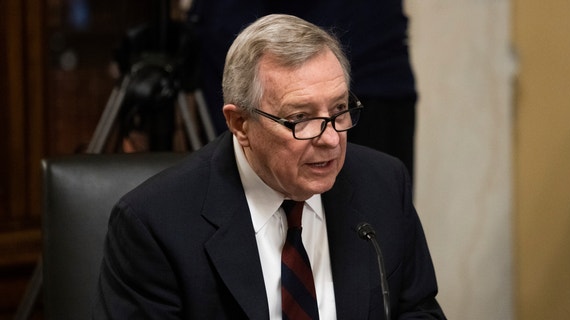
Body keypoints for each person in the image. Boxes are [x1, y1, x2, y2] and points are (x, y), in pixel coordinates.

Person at [93, 14, 444, 319]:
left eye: (339, 109)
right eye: (300, 118)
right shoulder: (154, 225)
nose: (331, 140)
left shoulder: (382, 184)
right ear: (241, 125)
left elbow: (417, 310)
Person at [188, 0, 417, 176]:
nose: (331, 139)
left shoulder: (389, 177)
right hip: (253, 65)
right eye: (300, 117)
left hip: (375, 75)